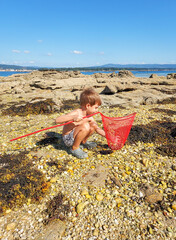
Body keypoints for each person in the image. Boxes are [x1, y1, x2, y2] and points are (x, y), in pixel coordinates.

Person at [55, 87, 105, 159]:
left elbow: (97, 129)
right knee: (85, 126)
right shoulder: (77, 112)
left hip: (76, 136)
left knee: (93, 125)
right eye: (96, 107)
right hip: (68, 139)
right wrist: (73, 117)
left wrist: (108, 136)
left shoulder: (89, 116)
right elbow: (57, 120)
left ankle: (83, 142)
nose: (97, 110)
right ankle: (74, 148)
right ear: (88, 106)